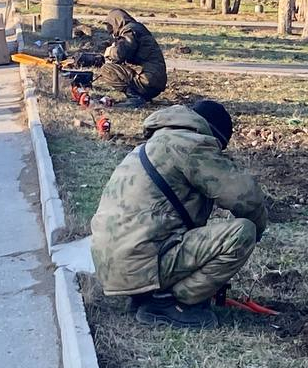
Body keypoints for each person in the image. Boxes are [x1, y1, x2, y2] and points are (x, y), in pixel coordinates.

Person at [90, 99, 267, 330]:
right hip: (140, 263)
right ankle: (170, 302)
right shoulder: (191, 145)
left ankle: (148, 294)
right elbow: (244, 195)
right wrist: (258, 230)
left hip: (113, 265)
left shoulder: (153, 144)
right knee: (242, 233)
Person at [98, 7, 167, 107]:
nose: (112, 34)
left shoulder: (129, 31)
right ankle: (141, 96)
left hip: (147, 80)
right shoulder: (137, 28)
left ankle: (135, 97)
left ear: (116, 22)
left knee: (107, 69)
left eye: (111, 28)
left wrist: (110, 51)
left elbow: (119, 54)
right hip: (154, 82)